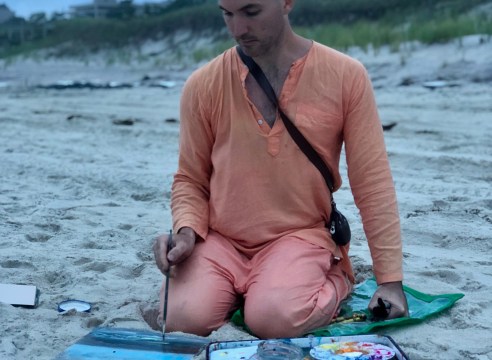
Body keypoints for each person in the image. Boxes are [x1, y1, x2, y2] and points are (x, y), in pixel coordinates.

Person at [153, 0, 409, 339]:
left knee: (273, 320)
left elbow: (372, 183)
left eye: (251, 12)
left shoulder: (345, 75)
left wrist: (390, 282)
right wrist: (186, 231)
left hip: (299, 235)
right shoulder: (202, 85)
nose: (237, 29)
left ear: (286, 3)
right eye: (227, 14)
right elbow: (190, 179)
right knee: (181, 319)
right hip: (220, 239)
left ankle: (336, 278)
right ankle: (242, 288)